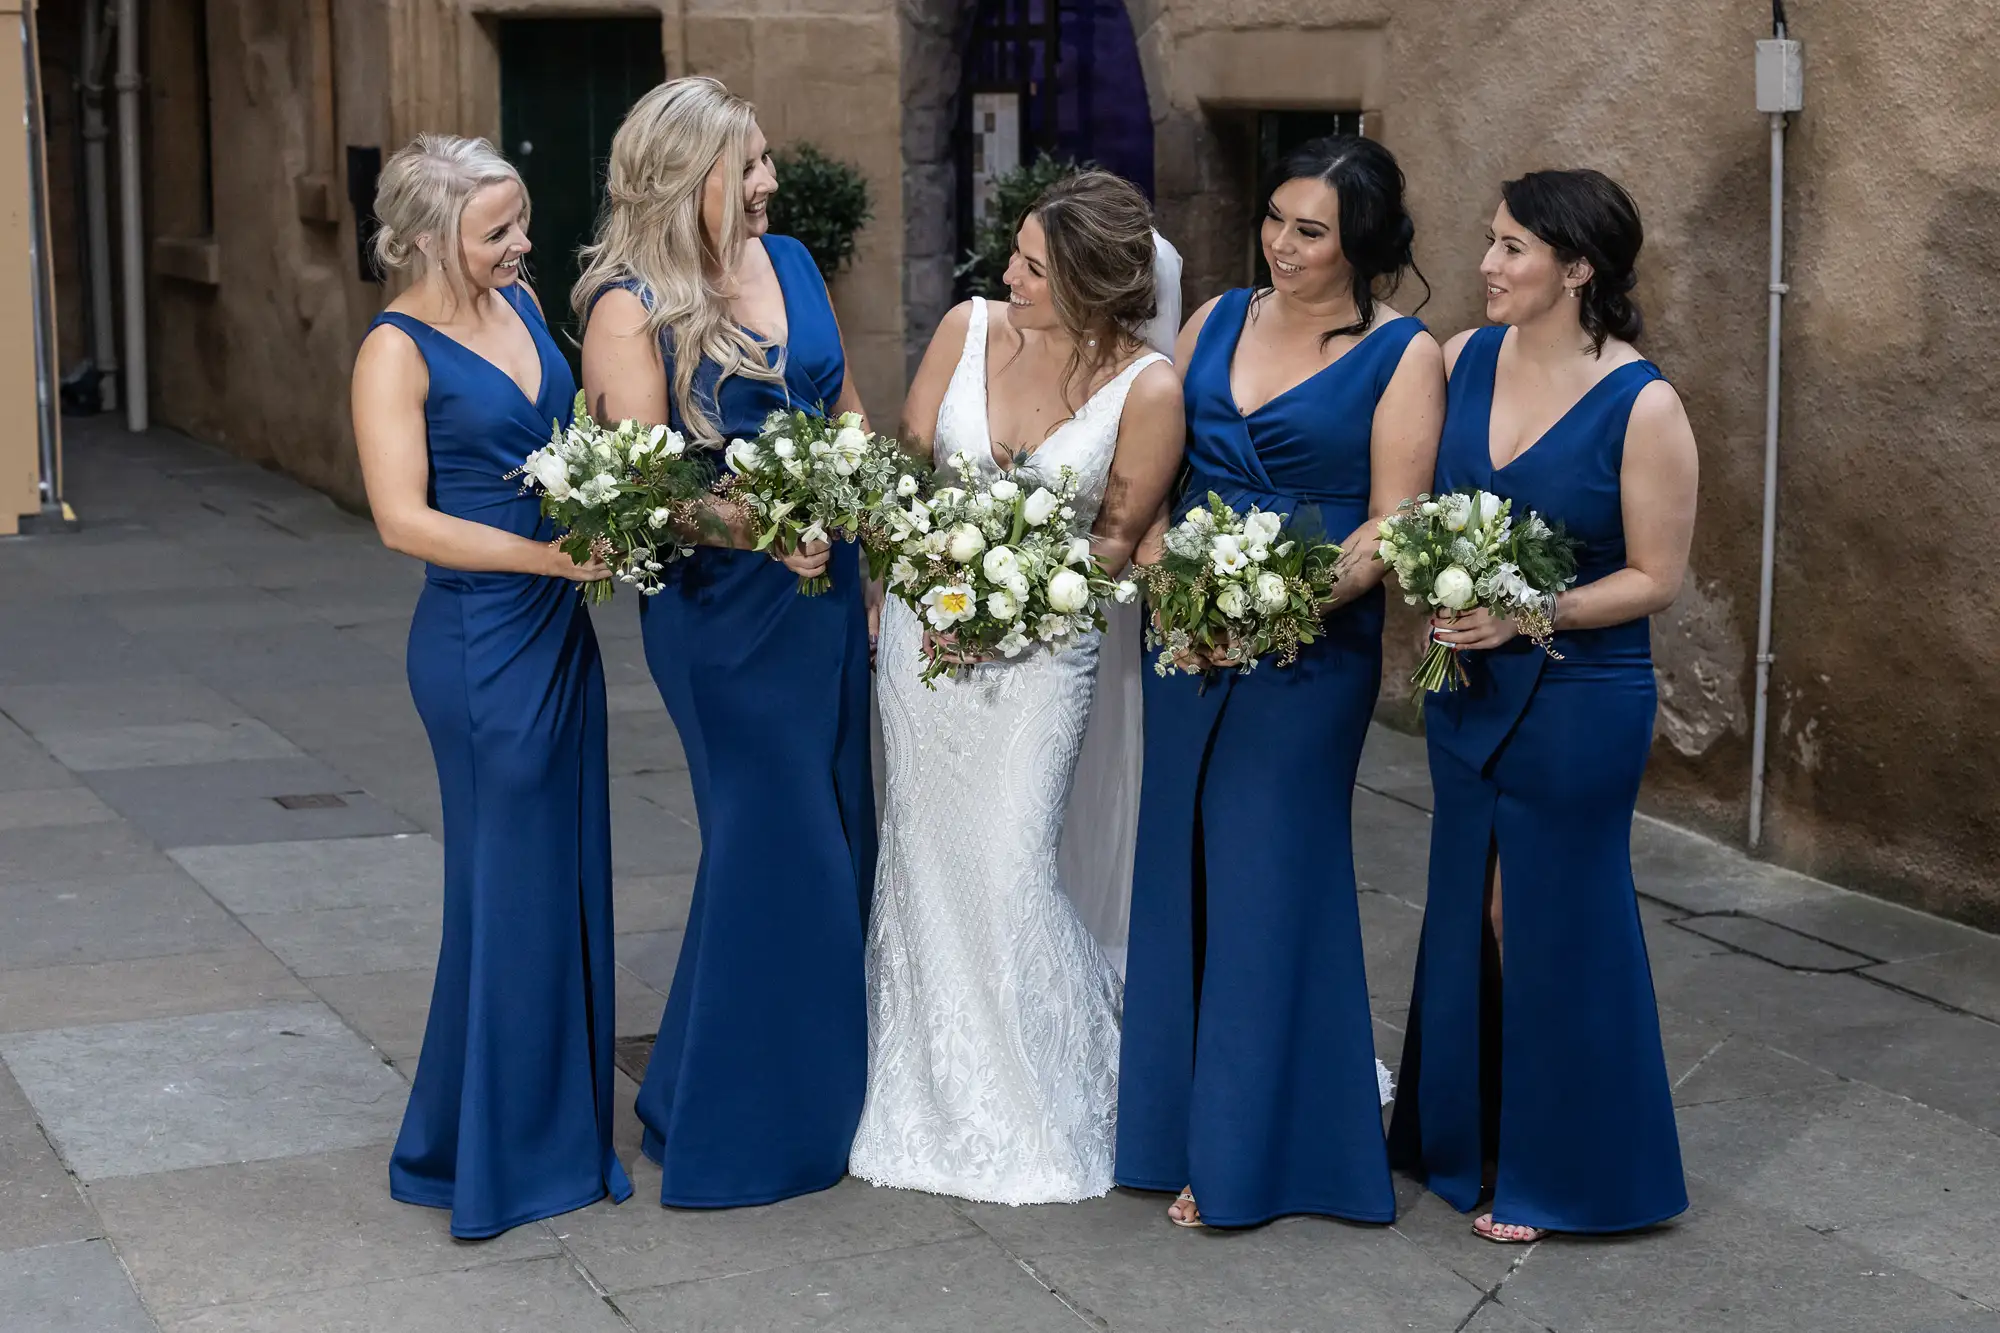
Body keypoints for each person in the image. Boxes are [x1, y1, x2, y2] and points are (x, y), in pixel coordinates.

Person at [1116, 136, 1444, 1229]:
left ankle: (1251, 1153)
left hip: (1308, 654)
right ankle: (1172, 1130)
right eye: (1273, 220)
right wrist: (1178, 591)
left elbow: (1390, 523)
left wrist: (1272, 607)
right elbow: (1150, 484)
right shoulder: (1213, 319)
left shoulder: (1403, 356)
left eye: (1309, 230)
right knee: (1179, 871)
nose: (1280, 244)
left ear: (1360, 242)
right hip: (1185, 646)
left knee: (1267, 879)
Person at [848, 171, 1185, 1204]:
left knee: (1007, 863)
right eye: (1014, 257)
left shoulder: (1149, 388)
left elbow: (1120, 542)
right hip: (924, 641)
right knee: (922, 856)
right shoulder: (967, 327)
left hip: (1044, 653)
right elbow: (904, 471)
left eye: (1033, 266)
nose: (1008, 276)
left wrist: (1013, 595)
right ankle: (929, 1086)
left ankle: (1054, 1088)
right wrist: (910, 579)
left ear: (1089, 280)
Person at [575, 77, 875, 1208]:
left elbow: (840, 400)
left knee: (828, 833)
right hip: (720, 611)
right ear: (686, 173)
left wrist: (856, 511)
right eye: (746, 165)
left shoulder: (791, 262)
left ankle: (704, 1090)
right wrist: (761, 525)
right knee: (774, 842)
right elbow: (643, 493)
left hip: (822, 595)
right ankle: (748, 1135)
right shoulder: (628, 302)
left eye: (765, 161)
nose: (769, 182)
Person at [1388, 169, 1696, 1243]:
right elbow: (1417, 510)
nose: (1485, 264)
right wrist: (1441, 588)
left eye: (1511, 247)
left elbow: (1655, 575)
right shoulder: (1461, 358)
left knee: (1541, 915)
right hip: (1468, 687)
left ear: (1577, 269)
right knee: (1470, 903)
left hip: (1581, 696)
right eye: (1489, 241)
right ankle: (1466, 1139)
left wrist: (1530, 614)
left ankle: (1565, 1172)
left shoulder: (1642, 402)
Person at [350, 134, 630, 1238]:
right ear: (423, 238)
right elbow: (399, 518)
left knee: (559, 876)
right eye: (496, 231)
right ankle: (492, 1156)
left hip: (560, 629)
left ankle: (545, 1133)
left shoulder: (517, 311)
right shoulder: (393, 350)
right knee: (504, 887)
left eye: (519, 222)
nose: (522, 245)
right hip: (478, 640)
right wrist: (552, 558)